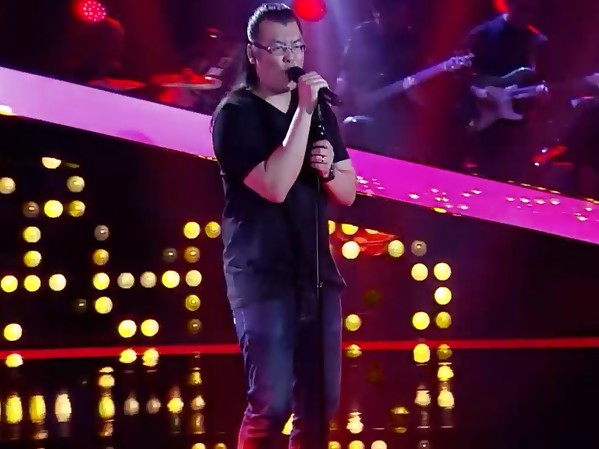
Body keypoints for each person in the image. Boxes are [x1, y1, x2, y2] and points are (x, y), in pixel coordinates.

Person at [211, 3, 356, 449]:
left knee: (319, 405)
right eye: (278, 48)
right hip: (261, 275)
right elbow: (274, 185)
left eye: (297, 46)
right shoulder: (235, 114)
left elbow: (348, 190)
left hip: (315, 273)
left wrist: (328, 170)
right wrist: (303, 115)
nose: (291, 56)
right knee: (272, 404)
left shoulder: (317, 110)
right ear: (253, 53)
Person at [462, 0, 548, 182]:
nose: (525, 13)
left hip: (517, 125)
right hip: (483, 120)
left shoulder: (537, 42)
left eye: (530, 9)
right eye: (520, 6)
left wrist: (542, 96)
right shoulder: (483, 34)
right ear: (508, 3)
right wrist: (478, 94)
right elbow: (462, 76)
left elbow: (542, 82)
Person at [337, 0, 426, 160]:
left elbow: (422, 97)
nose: (389, 20)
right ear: (376, 13)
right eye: (383, 15)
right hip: (363, 108)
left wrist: (415, 92)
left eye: (394, 14)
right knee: (352, 127)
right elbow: (347, 72)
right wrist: (349, 99)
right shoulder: (362, 34)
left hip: (397, 115)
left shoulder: (410, 40)